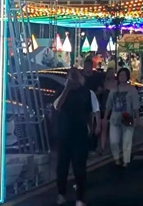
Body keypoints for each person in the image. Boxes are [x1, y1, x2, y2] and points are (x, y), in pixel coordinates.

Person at [54, 68, 99, 206]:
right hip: (64, 134)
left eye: (76, 76)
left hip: (80, 134)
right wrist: (66, 89)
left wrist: (93, 127)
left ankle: (80, 197)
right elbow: (57, 106)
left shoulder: (87, 93)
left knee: (79, 167)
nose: (73, 79)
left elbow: (90, 112)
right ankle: (61, 193)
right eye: (71, 76)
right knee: (62, 166)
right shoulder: (62, 91)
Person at [105, 67, 140, 167]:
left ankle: (126, 161)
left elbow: (135, 105)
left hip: (128, 118)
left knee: (127, 141)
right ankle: (116, 157)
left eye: (124, 75)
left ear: (127, 76)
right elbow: (108, 105)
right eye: (120, 75)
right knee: (114, 141)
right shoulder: (113, 90)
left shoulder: (132, 90)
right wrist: (105, 118)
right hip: (114, 119)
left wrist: (137, 118)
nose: (122, 77)